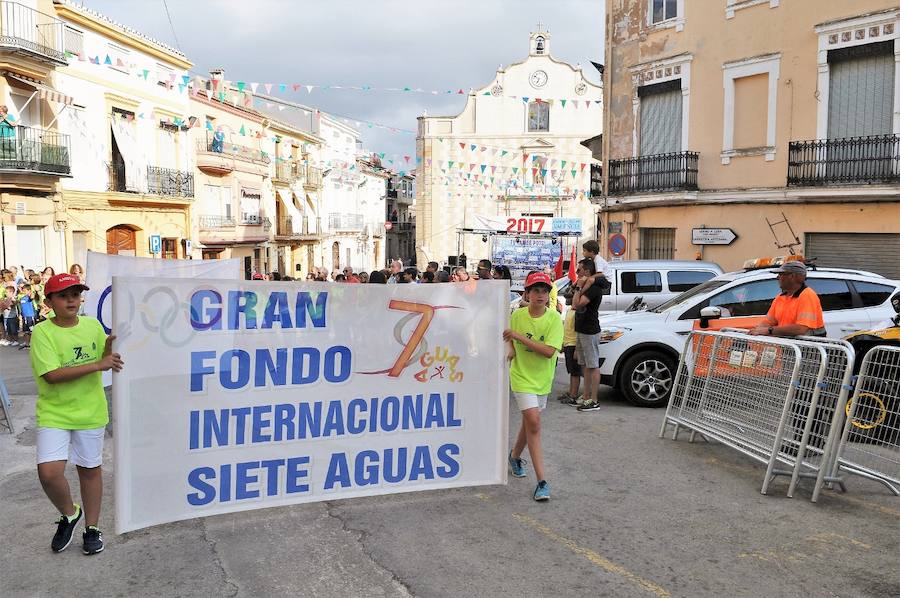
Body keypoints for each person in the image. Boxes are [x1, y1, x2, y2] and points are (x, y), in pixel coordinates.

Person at [29, 273, 124, 555]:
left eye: (76, 293)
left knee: (89, 471)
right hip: (54, 413)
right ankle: (70, 513)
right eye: (63, 295)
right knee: (48, 473)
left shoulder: (93, 326)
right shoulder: (42, 333)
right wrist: (98, 365)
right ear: (49, 302)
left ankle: (92, 528)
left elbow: (109, 357)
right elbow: (52, 375)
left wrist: (109, 354)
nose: (71, 299)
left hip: (90, 411)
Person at [504, 271, 563, 502]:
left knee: (530, 422)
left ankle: (515, 456)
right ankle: (542, 481)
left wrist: (518, 338)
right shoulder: (517, 315)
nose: (541, 295)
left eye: (544, 291)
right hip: (520, 376)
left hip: (542, 379)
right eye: (536, 290)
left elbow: (549, 352)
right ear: (527, 294)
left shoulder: (554, 319)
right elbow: (509, 335)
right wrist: (510, 346)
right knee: (535, 424)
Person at [749, 261, 825, 337]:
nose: (777, 277)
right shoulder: (780, 297)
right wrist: (757, 330)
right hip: (791, 346)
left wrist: (769, 330)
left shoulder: (807, 295)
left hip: (808, 347)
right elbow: (769, 321)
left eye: (781, 274)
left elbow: (800, 329)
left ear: (792, 276)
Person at [571, 258, 604, 412]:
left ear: (586, 271)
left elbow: (576, 304)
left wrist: (579, 287)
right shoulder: (586, 285)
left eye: (579, 270)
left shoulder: (594, 288)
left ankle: (594, 400)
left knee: (593, 365)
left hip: (590, 330)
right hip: (582, 329)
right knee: (584, 364)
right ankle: (585, 396)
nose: (577, 272)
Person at [558, 291, 582, 404]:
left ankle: (573, 395)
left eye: (570, 298)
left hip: (574, 345)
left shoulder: (578, 313)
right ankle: (570, 392)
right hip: (568, 344)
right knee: (571, 371)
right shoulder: (569, 311)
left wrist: (577, 349)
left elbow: (579, 332)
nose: (567, 300)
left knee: (575, 372)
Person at [2, 281, 20, 346]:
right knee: (8, 329)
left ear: (12, 292)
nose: (7, 293)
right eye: (6, 292)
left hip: (12, 317)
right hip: (6, 317)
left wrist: (9, 303)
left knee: (13, 329)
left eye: (9, 292)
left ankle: (16, 340)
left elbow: (13, 304)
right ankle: (11, 340)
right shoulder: (5, 299)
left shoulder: (14, 298)